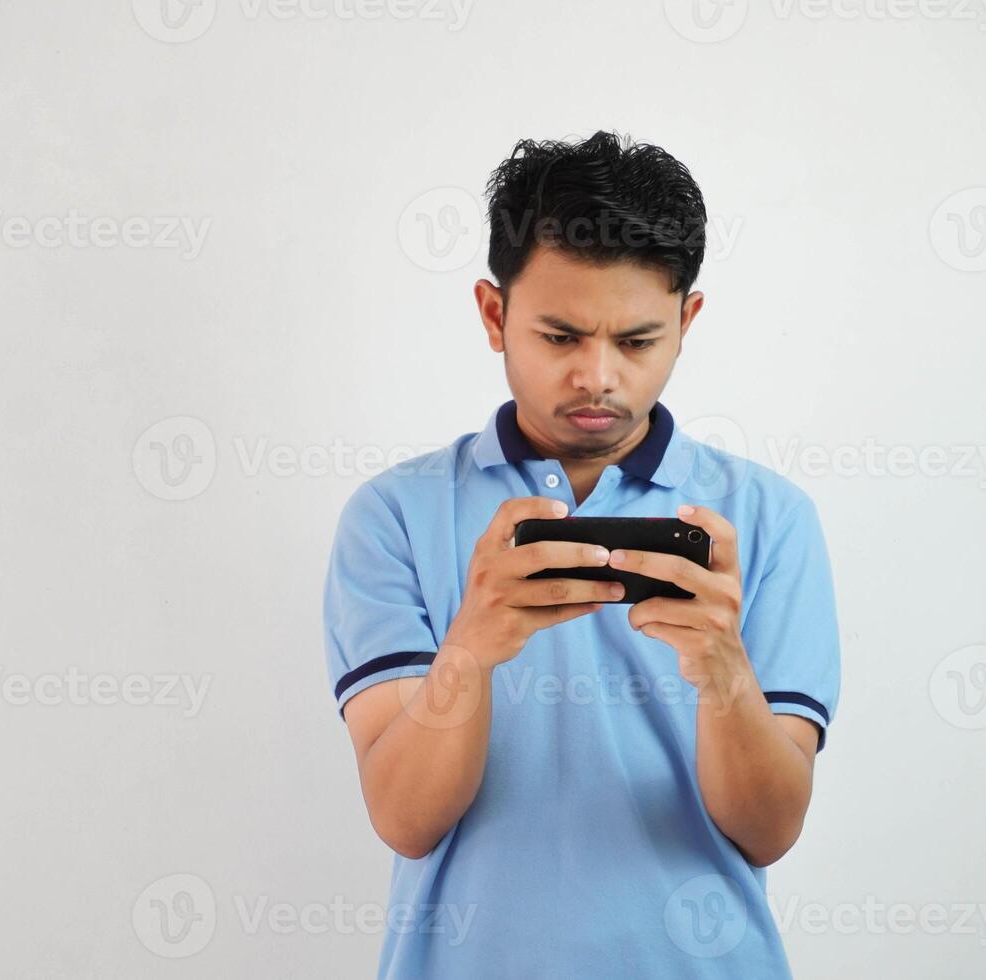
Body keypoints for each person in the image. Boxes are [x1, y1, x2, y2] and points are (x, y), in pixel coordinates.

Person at [322, 130, 841, 978]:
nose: (598, 377)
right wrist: (472, 646)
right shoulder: (395, 516)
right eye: (560, 337)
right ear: (495, 316)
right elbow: (406, 818)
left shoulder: (767, 520)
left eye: (636, 342)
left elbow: (769, 829)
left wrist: (723, 669)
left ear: (687, 320)